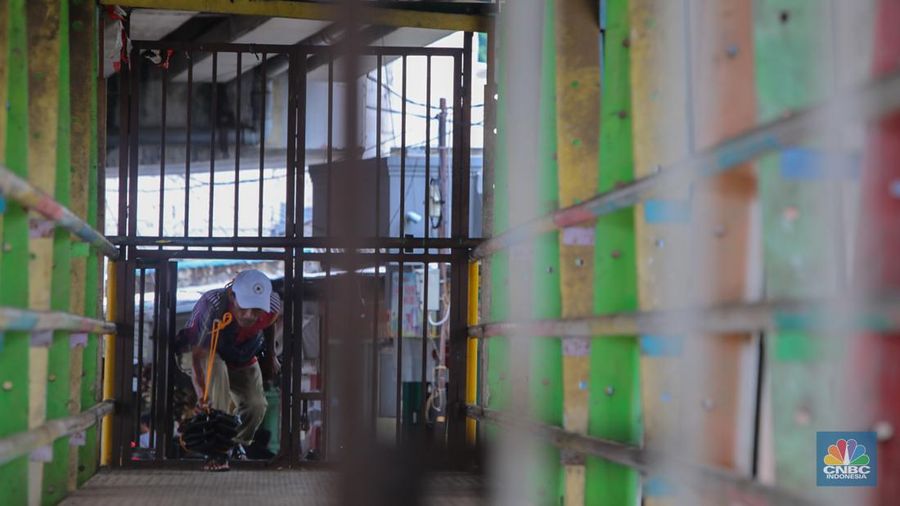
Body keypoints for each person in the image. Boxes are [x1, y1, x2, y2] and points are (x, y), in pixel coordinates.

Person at [175, 269, 281, 470]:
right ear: (233, 296)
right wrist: (201, 393)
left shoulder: (272, 305)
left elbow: (270, 324)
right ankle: (217, 452)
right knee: (217, 366)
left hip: (240, 356)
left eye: (256, 310)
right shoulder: (212, 304)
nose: (249, 316)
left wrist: (271, 356)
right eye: (244, 308)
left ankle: (234, 445)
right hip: (199, 353)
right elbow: (197, 356)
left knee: (256, 406)